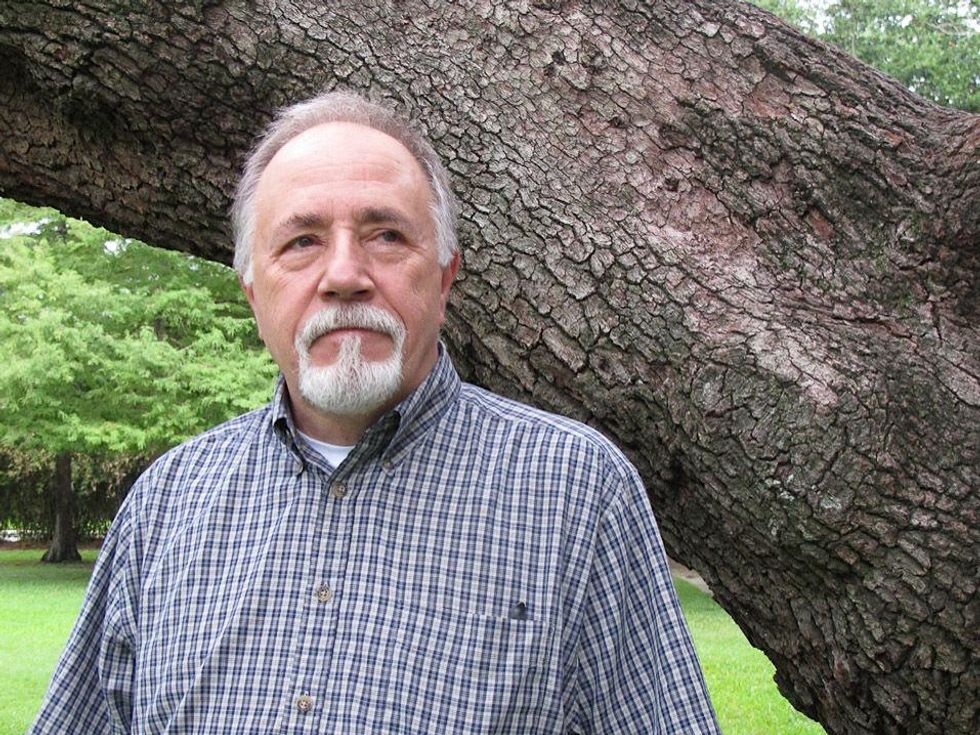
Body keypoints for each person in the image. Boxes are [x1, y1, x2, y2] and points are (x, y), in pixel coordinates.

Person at [30, 90, 720, 734]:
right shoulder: (166, 505)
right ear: (251, 290)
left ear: (445, 275)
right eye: (301, 241)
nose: (343, 274)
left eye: (386, 234)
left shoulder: (577, 491)